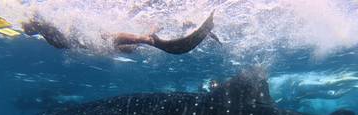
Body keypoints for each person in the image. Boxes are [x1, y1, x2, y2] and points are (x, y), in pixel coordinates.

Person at [22, 11, 219, 54]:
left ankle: (149, 36)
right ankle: (153, 31)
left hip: (90, 38)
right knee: (130, 49)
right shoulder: (47, 30)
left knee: (109, 38)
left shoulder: (46, 21)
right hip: (88, 43)